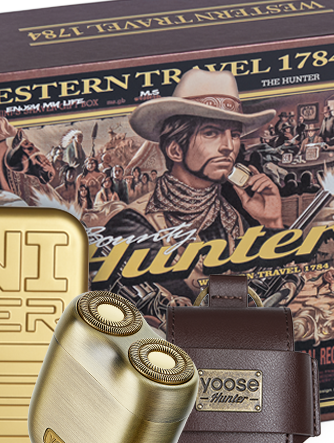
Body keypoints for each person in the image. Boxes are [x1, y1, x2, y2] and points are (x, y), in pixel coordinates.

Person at [103, 69, 281, 300]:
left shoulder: (231, 217)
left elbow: (268, 291)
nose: (228, 146)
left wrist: (271, 222)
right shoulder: (132, 225)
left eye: (235, 135)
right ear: (175, 150)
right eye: (211, 133)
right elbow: (185, 308)